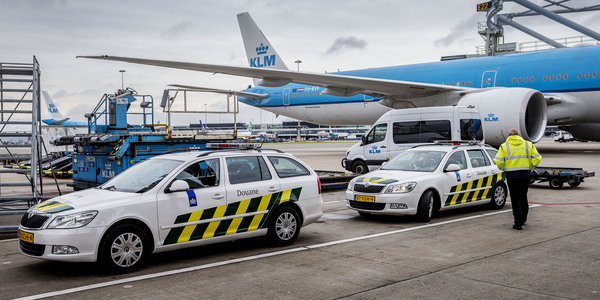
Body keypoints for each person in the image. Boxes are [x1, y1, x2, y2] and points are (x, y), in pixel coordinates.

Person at [494, 128, 542, 230]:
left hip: (511, 175)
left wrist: (504, 168)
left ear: (509, 135)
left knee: (515, 199)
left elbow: (498, 161)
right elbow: (538, 158)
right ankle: (523, 219)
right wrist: (530, 167)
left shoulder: (504, 146)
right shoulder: (528, 144)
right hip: (525, 174)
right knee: (523, 197)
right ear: (518, 135)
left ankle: (518, 223)